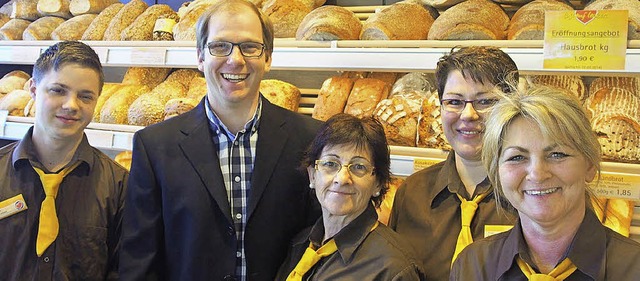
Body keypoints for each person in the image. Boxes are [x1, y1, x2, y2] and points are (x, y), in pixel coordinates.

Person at [118, 1, 322, 280]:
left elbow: (320, 242)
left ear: (268, 58)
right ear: (200, 57)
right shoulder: (154, 146)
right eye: (219, 46)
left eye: (250, 47)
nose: (235, 59)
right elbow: (139, 259)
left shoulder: (311, 139)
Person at [451, 85, 640, 280]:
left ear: (590, 165)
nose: (537, 174)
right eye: (517, 157)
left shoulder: (634, 268)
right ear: (496, 173)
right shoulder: (472, 266)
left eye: (557, 154)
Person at [0, 41, 128, 280]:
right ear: (34, 89)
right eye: (58, 90)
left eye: (85, 96)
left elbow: (122, 271)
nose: (71, 105)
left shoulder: (120, 187)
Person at [389, 46, 519, 281]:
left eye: (485, 101)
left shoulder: (533, 192)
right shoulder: (412, 193)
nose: (468, 114)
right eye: (454, 102)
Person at [276, 113, 425, 280]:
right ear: (312, 176)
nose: (342, 179)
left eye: (358, 167)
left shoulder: (393, 268)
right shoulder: (300, 244)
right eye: (330, 164)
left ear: (378, 183)